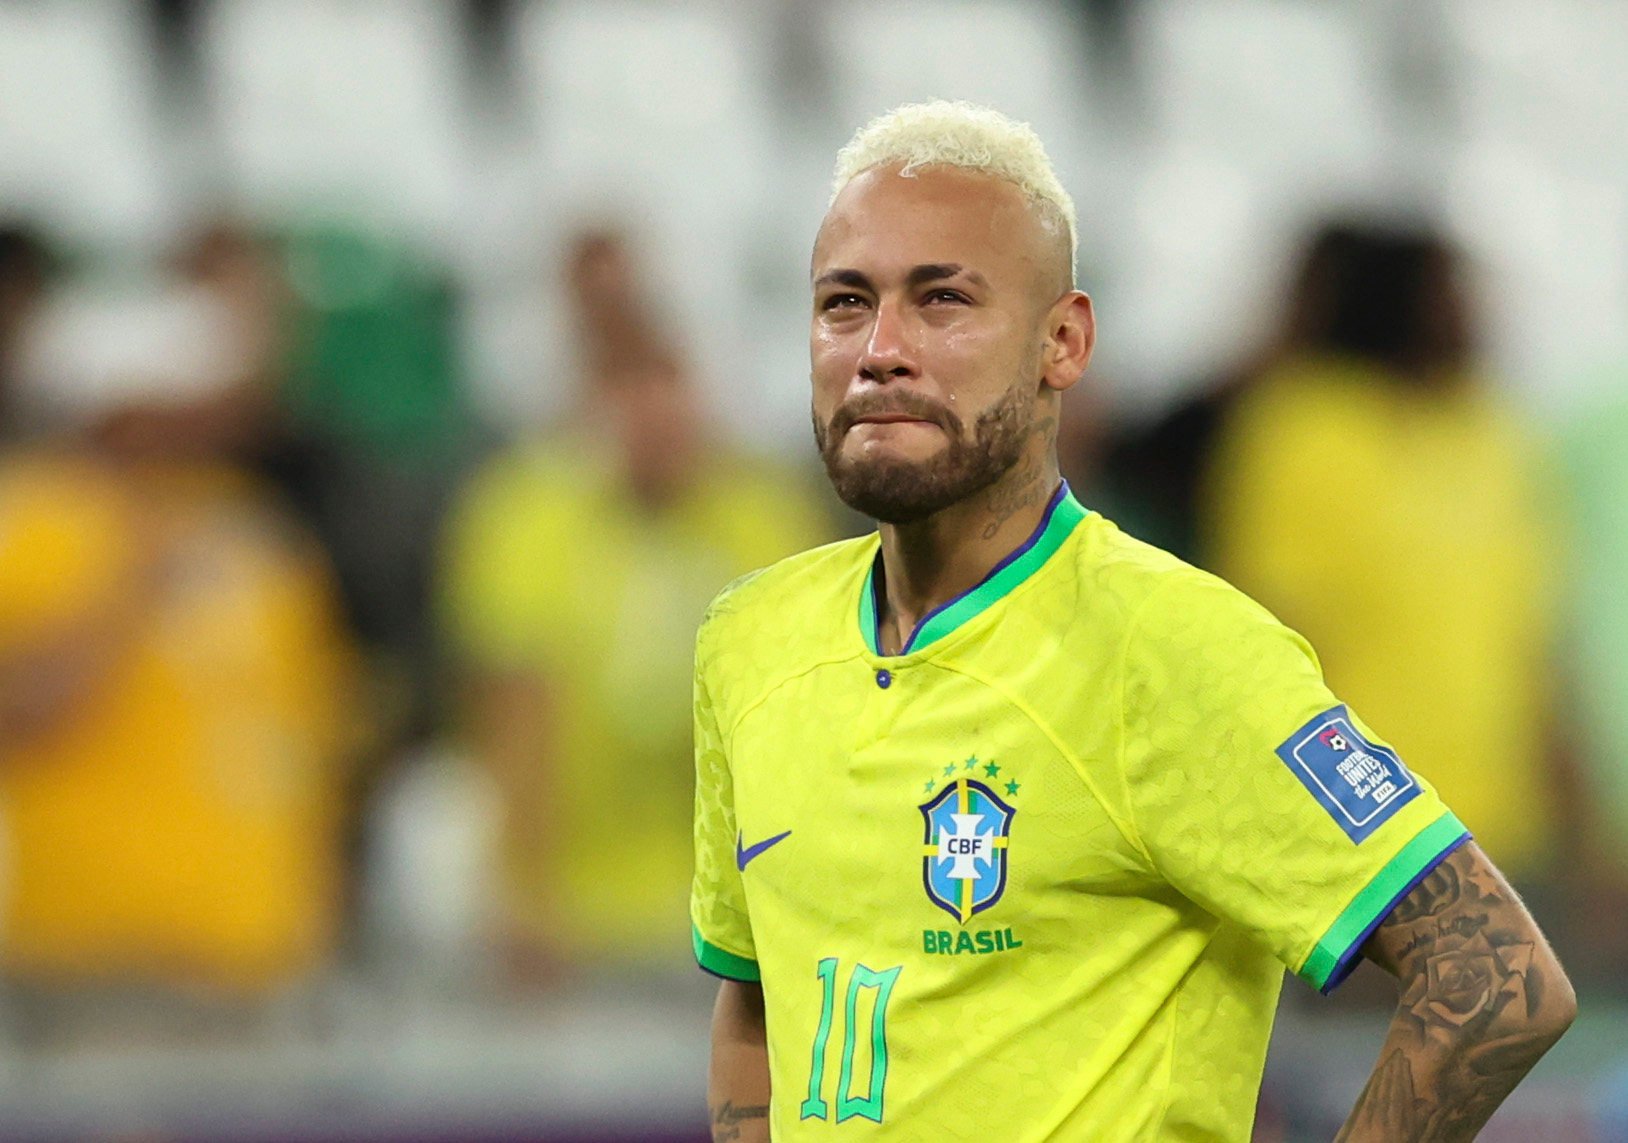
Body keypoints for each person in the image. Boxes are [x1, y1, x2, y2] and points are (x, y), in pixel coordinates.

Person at [692, 101, 1574, 1140]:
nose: (880, 349)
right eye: (844, 303)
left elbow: (1494, 976)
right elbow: (755, 997)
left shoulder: (1173, 649)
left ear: (1060, 343)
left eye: (941, 302)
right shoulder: (749, 641)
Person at [442, 230, 830, 978]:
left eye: (669, 383)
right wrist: (523, 895)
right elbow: (517, 715)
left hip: (733, 904)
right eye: (627, 387)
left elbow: (805, 719)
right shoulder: (524, 520)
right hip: (581, 906)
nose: (653, 414)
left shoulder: (764, 516)